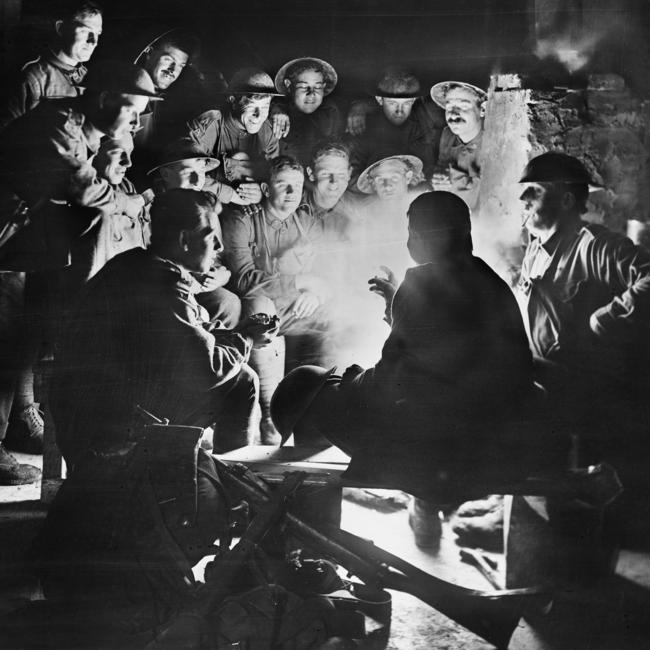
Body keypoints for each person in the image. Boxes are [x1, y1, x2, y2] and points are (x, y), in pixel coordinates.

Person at [271, 192, 538, 544]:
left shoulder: (422, 283)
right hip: (496, 452)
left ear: (435, 237)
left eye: (413, 232)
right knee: (319, 388)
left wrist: (344, 381)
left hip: (438, 459)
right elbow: (441, 349)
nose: (409, 241)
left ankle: (311, 542)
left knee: (302, 387)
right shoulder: (493, 284)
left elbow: (386, 386)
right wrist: (399, 307)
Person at [0, 61, 158, 483]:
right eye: (132, 109)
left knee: (18, 343)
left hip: (17, 240)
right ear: (105, 99)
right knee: (5, 342)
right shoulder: (61, 127)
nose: (137, 121)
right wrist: (129, 204)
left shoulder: (85, 131)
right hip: (5, 240)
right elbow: (84, 188)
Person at [50, 189, 277, 468]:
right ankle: (232, 488)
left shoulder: (136, 263)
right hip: (107, 435)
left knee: (232, 370)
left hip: (89, 417)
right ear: (184, 240)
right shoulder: (163, 286)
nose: (220, 247)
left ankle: (215, 475)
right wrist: (245, 339)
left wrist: (240, 333)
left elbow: (197, 330)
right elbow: (208, 369)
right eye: (211, 236)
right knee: (241, 381)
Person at [516, 152, 650, 457]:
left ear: (565, 200)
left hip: (589, 400)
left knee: (579, 488)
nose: (523, 198)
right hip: (547, 391)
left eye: (535, 190)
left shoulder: (595, 246)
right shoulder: (535, 251)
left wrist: (606, 319)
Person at [222, 156, 330, 443]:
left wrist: (315, 292)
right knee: (260, 308)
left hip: (295, 308)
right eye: (283, 186)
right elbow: (244, 279)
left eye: (296, 186)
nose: (292, 194)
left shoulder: (307, 221)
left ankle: (322, 419)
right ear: (267, 189)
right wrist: (296, 282)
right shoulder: (242, 218)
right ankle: (269, 416)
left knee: (336, 318)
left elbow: (326, 271)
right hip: (259, 310)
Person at [148, 139, 242, 328]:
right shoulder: (153, 207)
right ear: (166, 174)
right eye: (188, 172)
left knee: (228, 303)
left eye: (200, 172)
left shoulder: (206, 205)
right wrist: (192, 283)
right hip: (163, 286)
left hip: (198, 285)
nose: (196, 180)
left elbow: (216, 255)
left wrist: (223, 275)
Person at [0, 1, 103, 130]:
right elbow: (7, 137)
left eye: (98, 34)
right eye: (85, 31)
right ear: (61, 28)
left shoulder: (88, 78)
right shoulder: (32, 77)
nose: (93, 41)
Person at [186, 67, 282, 206]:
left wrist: (261, 190)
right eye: (252, 106)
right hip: (205, 200)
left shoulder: (268, 131)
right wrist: (231, 195)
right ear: (233, 100)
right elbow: (188, 174)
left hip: (251, 205)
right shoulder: (210, 125)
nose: (258, 115)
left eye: (265, 107)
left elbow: (276, 176)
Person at [130, 28, 203, 185]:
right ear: (149, 52)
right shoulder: (126, 96)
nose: (173, 71)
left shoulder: (170, 102)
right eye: (168, 60)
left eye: (180, 66)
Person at [349, 67, 433, 183]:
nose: (400, 111)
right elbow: (351, 176)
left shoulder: (419, 126)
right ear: (379, 99)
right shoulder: (362, 126)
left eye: (406, 103)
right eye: (392, 103)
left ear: (414, 100)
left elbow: (427, 169)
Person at [271, 56, 341, 167]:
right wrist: (274, 109)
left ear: (324, 86)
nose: (311, 93)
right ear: (288, 85)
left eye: (317, 87)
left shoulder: (331, 113)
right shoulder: (276, 114)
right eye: (304, 87)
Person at [430, 81, 486, 213]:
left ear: (482, 110)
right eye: (449, 108)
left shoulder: (495, 142)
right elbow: (441, 168)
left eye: (463, 107)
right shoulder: (447, 135)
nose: (453, 115)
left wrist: (452, 179)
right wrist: (439, 180)